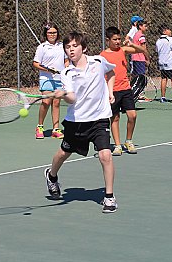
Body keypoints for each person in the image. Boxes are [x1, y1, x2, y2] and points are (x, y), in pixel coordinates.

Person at [44, 31, 118, 213]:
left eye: (74, 46)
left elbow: (112, 71)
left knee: (105, 155)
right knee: (63, 153)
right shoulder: (67, 73)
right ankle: (51, 176)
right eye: (67, 47)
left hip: (99, 119)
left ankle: (109, 197)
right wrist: (63, 95)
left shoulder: (98, 62)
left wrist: (110, 92)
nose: (71, 50)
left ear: (83, 48)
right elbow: (72, 98)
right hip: (76, 121)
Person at [100, 26, 147, 156]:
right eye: (115, 39)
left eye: (119, 39)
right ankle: (117, 145)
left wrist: (132, 44)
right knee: (115, 118)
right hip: (112, 91)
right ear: (108, 40)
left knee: (133, 115)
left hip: (126, 89)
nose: (117, 42)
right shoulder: (102, 55)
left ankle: (128, 141)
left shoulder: (123, 50)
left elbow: (142, 50)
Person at [33, 23, 67, 139]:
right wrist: (48, 70)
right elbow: (36, 63)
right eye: (50, 33)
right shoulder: (42, 47)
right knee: (46, 102)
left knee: (56, 103)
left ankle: (55, 129)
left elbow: (66, 60)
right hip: (46, 78)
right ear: (46, 34)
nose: (52, 35)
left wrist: (67, 70)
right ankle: (40, 126)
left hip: (59, 79)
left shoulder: (62, 46)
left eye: (54, 32)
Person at [155, 24, 172, 103]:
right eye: (169, 29)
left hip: (162, 64)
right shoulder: (170, 39)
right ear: (164, 31)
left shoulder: (158, 41)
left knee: (163, 79)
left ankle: (162, 97)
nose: (170, 31)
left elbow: (157, 51)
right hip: (170, 64)